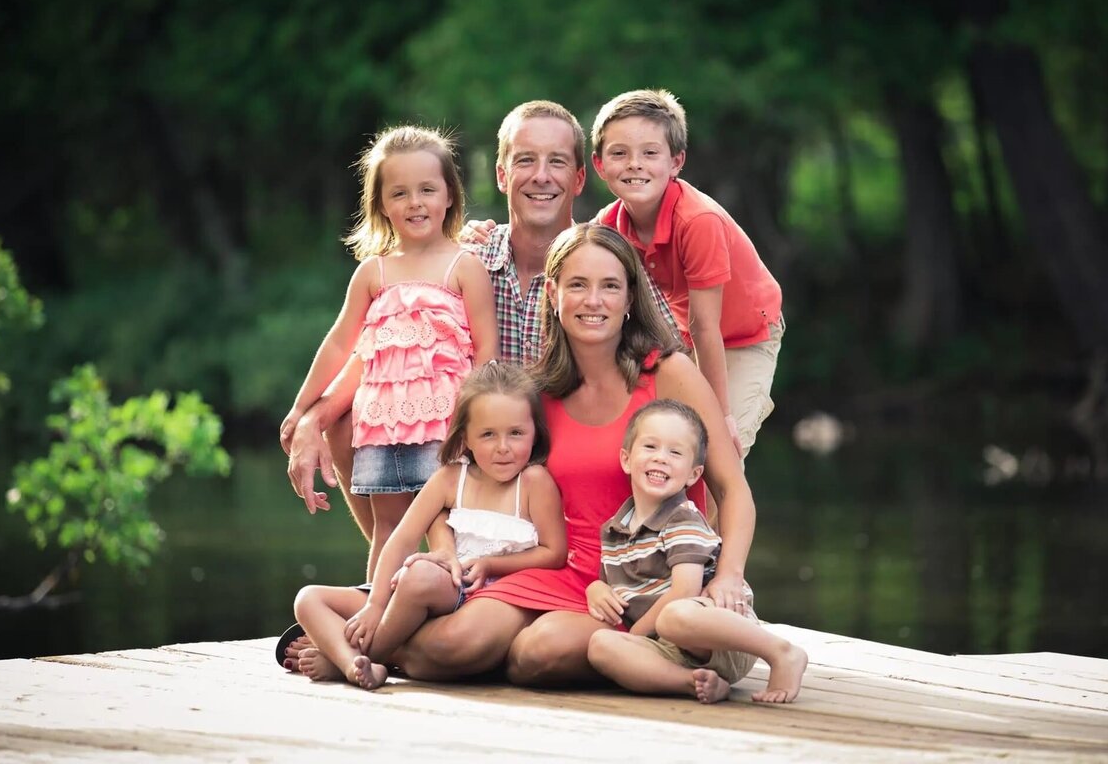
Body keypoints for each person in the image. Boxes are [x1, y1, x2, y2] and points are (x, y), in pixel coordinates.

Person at [345, 223, 758, 686]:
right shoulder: (538, 393)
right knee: (454, 643)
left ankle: (359, 645)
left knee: (534, 654)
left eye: (609, 286)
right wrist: (442, 546)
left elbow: (732, 486)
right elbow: (459, 478)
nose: (593, 301)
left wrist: (727, 576)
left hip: (649, 576)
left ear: (629, 299)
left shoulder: (668, 373)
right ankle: (370, 645)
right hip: (564, 568)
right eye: (577, 285)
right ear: (554, 295)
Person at [279, 125, 497, 579]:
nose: (415, 202)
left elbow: (486, 351)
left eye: (427, 190)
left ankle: (443, 614)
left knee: (443, 525)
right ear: (381, 204)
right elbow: (342, 341)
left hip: (444, 423)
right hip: (380, 426)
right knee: (388, 528)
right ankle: (373, 616)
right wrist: (302, 408)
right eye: (399, 193)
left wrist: (477, 424)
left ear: (450, 196)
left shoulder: (464, 266)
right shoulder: (373, 272)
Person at [291, 362, 564, 689]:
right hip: (444, 588)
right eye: (488, 434)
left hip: (486, 597)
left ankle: (356, 660)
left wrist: (491, 563)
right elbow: (402, 539)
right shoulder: (451, 478)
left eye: (516, 433)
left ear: (535, 432)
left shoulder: (534, 482)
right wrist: (377, 604)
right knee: (308, 599)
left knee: (419, 576)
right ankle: (355, 661)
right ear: (466, 438)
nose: (503, 447)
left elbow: (554, 553)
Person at [591, 89, 785, 460]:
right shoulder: (609, 224)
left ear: (676, 161)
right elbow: (572, 256)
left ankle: (720, 516)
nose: (635, 164)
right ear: (600, 165)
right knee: (659, 445)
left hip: (745, 333)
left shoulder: (698, 222)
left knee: (719, 450)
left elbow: (705, 328)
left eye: (650, 153)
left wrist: (721, 415)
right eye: (619, 153)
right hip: (684, 334)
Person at [584, 399, 808, 704]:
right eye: (650, 447)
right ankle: (694, 683)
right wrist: (595, 589)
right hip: (670, 649)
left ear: (693, 474)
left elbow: (685, 591)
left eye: (675, 452)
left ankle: (779, 651)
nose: (661, 458)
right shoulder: (613, 530)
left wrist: (635, 634)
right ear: (626, 459)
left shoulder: (682, 518)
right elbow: (608, 581)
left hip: (718, 636)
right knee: (600, 644)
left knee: (674, 615)